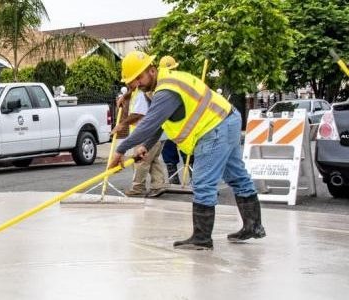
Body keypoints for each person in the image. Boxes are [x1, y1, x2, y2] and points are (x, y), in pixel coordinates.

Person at [109, 51, 265, 250]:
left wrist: (119, 150)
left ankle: (202, 238)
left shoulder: (166, 91)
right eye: (133, 80)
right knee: (236, 176)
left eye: (139, 77)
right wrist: (145, 146)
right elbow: (159, 124)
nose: (137, 83)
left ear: (152, 70)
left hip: (214, 127)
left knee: (202, 183)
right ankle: (254, 226)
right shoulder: (162, 85)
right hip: (226, 119)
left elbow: (149, 124)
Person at [113, 85, 166, 197]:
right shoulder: (138, 91)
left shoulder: (141, 93)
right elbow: (132, 91)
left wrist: (123, 124)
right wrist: (125, 97)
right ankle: (158, 185)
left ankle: (138, 187)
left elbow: (138, 114)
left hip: (146, 136)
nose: (128, 84)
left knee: (140, 162)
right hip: (154, 134)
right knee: (152, 161)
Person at [156, 55, 192, 185]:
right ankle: (174, 177)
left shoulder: (181, 83)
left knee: (187, 151)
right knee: (170, 152)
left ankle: (193, 177)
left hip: (182, 124)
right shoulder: (161, 86)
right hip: (170, 125)